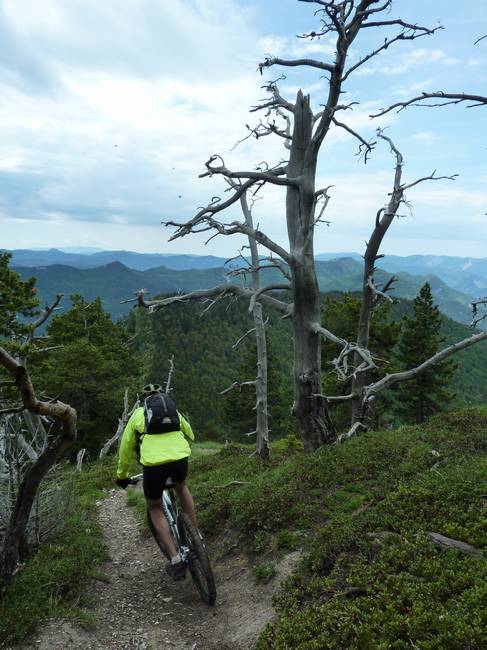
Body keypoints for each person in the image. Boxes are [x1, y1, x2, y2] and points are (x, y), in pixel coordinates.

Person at [115, 383, 197, 580]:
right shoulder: (173, 410)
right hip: (179, 458)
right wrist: (178, 449)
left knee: (154, 506)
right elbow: (191, 435)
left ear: (144, 400)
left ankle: (175, 558)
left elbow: (125, 449)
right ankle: (196, 536)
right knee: (181, 486)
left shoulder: (137, 415)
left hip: (153, 464)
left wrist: (122, 475)